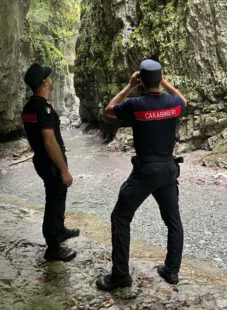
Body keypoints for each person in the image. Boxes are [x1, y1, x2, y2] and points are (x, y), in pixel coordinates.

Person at [96, 59, 187, 291]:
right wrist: (164, 82)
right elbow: (184, 100)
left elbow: (109, 110)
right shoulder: (173, 103)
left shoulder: (136, 104)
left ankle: (120, 277)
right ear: (160, 79)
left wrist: (129, 86)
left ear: (142, 82)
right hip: (168, 170)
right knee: (173, 221)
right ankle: (171, 271)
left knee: (121, 217)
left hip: (146, 171)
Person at [22, 63, 79, 262]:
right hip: (51, 162)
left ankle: (60, 230)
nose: (50, 79)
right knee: (54, 201)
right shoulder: (43, 109)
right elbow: (49, 140)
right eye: (49, 76)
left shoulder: (29, 107)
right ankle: (53, 248)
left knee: (57, 196)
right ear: (45, 82)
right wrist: (64, 170)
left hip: (41, 160)